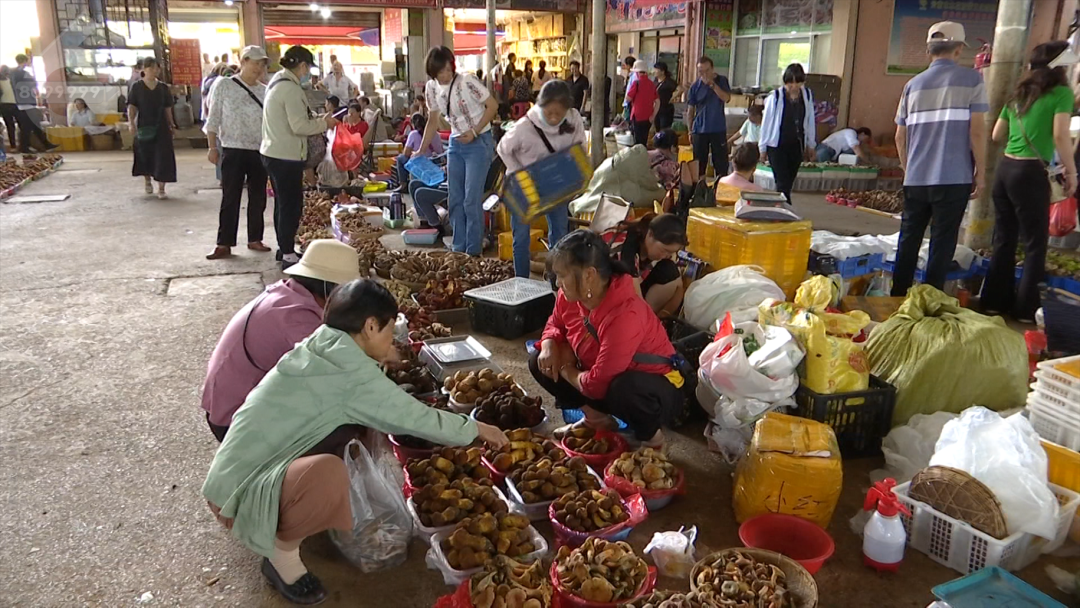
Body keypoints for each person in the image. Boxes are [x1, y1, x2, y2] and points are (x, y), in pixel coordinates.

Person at [203, 278, 510, 604]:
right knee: (330, 474)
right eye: (390, 332)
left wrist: (379, 358)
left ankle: (285, 518)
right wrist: (475, 428)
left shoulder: (323, 344)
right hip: (235, 498)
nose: (392, 341)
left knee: (342, 440)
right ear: (371, 326)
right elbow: (417, 418)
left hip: (228, 476)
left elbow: (353, 390)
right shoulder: (350, 375)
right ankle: (282, 559)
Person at [531, 230, 684, 448]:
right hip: (600, 375)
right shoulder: (569, 296)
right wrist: (549, 345)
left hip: (654, 389)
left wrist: (565, 367)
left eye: (562, 275)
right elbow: (554, 324)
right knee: (540, 359)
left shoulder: (625, 314)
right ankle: (596, 420)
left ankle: (654, 440)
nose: (558, 284)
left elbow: (596, 385)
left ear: (588, 275)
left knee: (624, 387)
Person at [202, 239, 359, 439]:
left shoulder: (290, 292)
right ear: (330, 287)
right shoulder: (295, 317)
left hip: (231, 397)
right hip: (233, 416)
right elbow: (338, 373)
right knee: (341, 426)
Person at [983, 41, 1078, 322]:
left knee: (1004, 239)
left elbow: (997, 135)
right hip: (1030, 173)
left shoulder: (1019, 93)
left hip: (1006, 170)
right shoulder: (1061, 93)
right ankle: (1025, 310)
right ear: (1060, 67)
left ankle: (993, 303)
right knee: (1036, 244)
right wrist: (1071, 172)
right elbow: (1061, 135)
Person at [892, 21, 989, 295]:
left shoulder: (912, 85)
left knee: (908, 240)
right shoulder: (972, 80)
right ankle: (930, 302)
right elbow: (977, 132)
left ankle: (897, 298)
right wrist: (981, 174)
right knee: (942, 243)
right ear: (958, 50)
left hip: (916, 179)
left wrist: (908, 168)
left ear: (928, 51)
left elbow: (900, 136)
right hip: (954, 178)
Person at [414, 46, 498, 257]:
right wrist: (420, 150)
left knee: (471, 199)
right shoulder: (431, 88)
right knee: (455, 199)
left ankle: (473, 252)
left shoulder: (467, 82)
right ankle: (458, 249)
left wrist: (475, 131)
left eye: (447, 68)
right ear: (432, 72)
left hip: (479, 143)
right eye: (440, 71)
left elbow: (492, 105)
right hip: (455, 144)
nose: (445, 74)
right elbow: (432, 121)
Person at [261, 45, 339, 270]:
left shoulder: (277, 81)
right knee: (291, 206)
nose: (308, 74)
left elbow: (296, 117)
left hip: (273, 153)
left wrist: (317, 117)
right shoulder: (291, 89)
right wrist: (325, 123)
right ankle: (287, 253)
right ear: (302, 66)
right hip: (285, 156)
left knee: (281, 204)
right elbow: (299, 126)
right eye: (308, 69)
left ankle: (283, 248)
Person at [498, 80, 585, 278]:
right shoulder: (525, 126)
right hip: (525, 187)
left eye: (559, 113)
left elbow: (579, 146)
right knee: (520, 237)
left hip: (556, 183)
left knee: (559, 234)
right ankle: (521, 282)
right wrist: (521, 173)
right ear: (540, 106)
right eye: (549, 112)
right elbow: (503, 149)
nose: (554, 117)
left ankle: (556, 281)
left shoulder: (573, 119)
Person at [205, 46, 271, 261]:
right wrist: (212, 146)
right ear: (243, 61)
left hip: (259, 150)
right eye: (255, 62)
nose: (259, 67)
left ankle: (255, 238)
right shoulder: (224, 85)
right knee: (230, 196)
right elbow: (213, 117)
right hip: (232, 148)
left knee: (258, 196)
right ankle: (224, 243)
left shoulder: (264, 90)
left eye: (262, 63)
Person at [759, 63, 816, 202]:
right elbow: (766, 123)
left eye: (798, 82)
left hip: (796, 145)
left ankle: (782, 207)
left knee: (788, 182)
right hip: (776, 146)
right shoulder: (775, 97)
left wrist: (811, 144)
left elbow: (810, 120)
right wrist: (762, 148)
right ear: (785, 82)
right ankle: (784, 209)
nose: (794, 86)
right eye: (790, 83)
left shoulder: (807, 95)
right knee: (782, 182)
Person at [616, 213, 688, 316]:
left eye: (671, 252)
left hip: (631, 289)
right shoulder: (626, 248)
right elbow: (634, 294)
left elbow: (679, 286)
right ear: (650, 234)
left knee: (670, 272)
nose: (667, 255)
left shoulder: (650, 247)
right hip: (606, 297)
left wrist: (664, 315)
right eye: (664, 250)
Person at [128, 58, 176, 199]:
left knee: (163, 155)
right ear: (144, 69)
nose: (154, 71)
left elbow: (168, 108)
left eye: (156, 68)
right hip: (144, 124)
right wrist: (131, 123)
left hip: (161, 126)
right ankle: (147, 180)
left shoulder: (163, 88)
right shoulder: (136, 87)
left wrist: (171, 124)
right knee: (145, 154)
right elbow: (132, 106)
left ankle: (161, 188)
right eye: (151, 68)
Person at [686, 56, 732, 177]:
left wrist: (712, 85)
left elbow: (726, 98)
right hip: (699, 130)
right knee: (699, 165)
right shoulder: (695, 87)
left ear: (712, 69)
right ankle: (700, 191)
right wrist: (690, 130)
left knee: (721, 164)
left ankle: (719, 188)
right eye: (701, 71)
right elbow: (690, 110)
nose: (704, 74)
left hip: (718, 128)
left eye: (707, 70)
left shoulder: (722, 81)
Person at [10, 54, 56, 152]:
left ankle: (44, 145)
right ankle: (26, 147)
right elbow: (31, 84)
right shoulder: (21, 73)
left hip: (22, 103)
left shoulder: (14, 73)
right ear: (25, 61)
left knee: (31, 125)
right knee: (29, 126)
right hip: (26, 103)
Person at [395, 112, 442, 190]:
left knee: (400, 158)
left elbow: (406, 153)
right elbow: (440, 150)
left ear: (413, 124)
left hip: (421, 163)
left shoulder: (413, 134)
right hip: (435, 161)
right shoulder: (436, 134)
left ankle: (403, 184)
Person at [626, 60, 658, 147]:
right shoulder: (652, 84)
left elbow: (628, 99)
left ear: (637, 73)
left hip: (637, 116)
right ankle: (644, 156)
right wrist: (653, 115)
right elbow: (658, 102)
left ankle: (639, 158)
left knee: (637, 141)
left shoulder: (636, 83)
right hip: (648, 117)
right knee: (644, 140)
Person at [653, 62, 677, 130]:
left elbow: (680, 89)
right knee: (657, 128)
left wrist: (672, 98)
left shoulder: (669, 82)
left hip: (666, 109)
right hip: (656, 109)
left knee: (664, 128)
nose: (654, 71)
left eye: (656, 70)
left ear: (662, 71)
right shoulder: (655, 81)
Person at [0, 66, 15, 150]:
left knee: (11, 125)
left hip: (13, 104)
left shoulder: (11, 80)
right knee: (10, 125)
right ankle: (13, 145)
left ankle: (15, 145)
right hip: (5, 105)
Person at [620, 56, 637, 121]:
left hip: (630, 102)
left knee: (627, 121)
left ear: (629, 65)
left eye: (625, 65)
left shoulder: (634, 76)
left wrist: (626, 102)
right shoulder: (631, 75)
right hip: (629, 102)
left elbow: (631, 90)